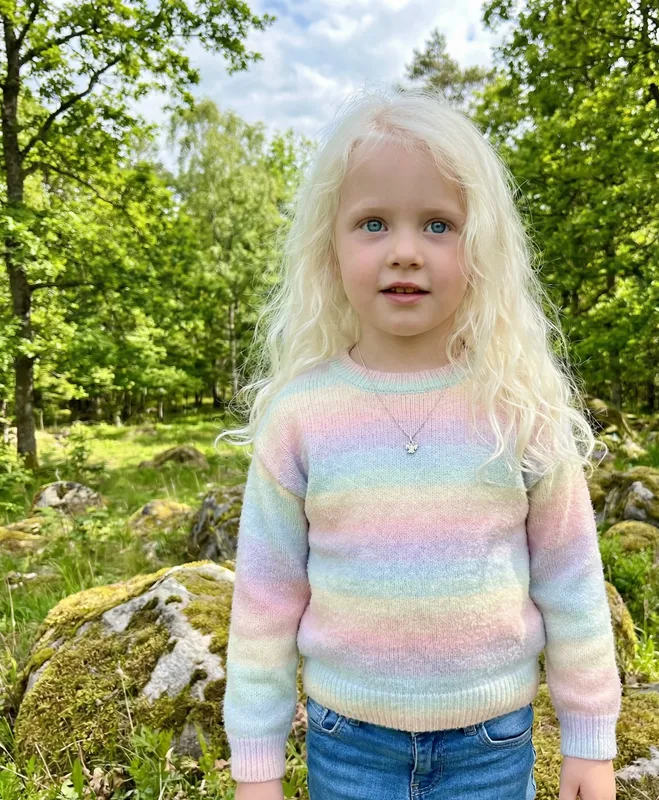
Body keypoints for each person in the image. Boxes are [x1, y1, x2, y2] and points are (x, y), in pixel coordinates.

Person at [217, 84, 621, 800]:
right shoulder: (300, 415)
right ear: (328, 245)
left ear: (483, 245)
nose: (405, 251)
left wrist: (590, 738)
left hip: (491, 747)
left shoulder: (517, 405)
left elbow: (571, 581)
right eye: (373, 223)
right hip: (348, 747)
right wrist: (257, 766)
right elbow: (265, 603)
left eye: (439, 225)